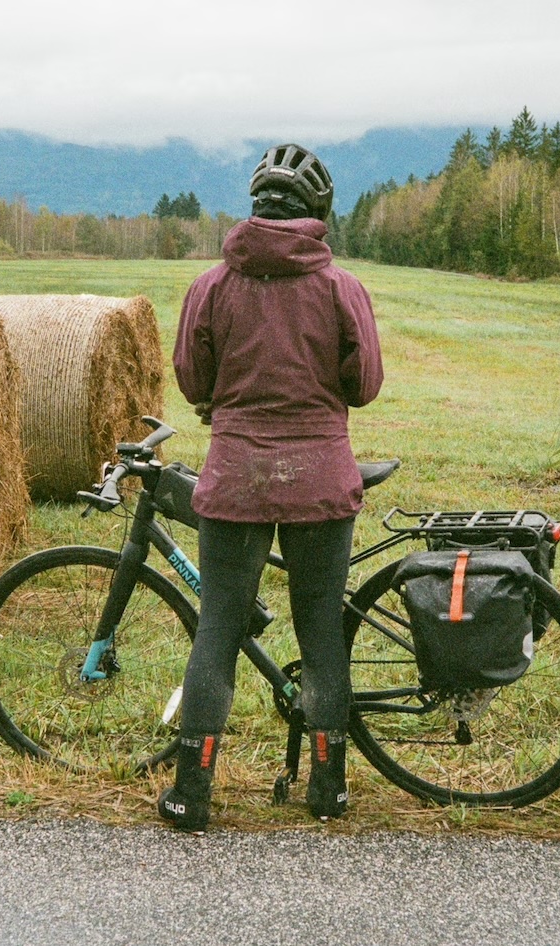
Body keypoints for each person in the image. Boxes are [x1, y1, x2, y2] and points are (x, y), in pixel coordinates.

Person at [158, 143, 383, 831]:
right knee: (321, 632)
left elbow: (193, 382)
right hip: (320, 477)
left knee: (217, 629)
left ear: (254, 208)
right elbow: (365, 385)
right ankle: (329, 789)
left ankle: (191, 793)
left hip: (236, 477)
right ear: (316, 213)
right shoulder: (341, 287)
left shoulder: (212, 286)